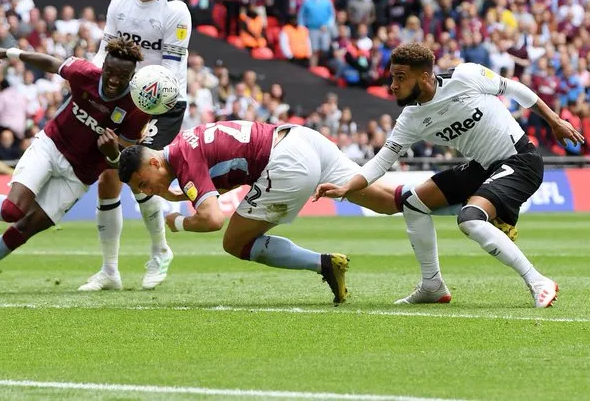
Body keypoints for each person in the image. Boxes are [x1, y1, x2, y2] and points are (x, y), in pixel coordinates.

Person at [313, 43, 585, 308]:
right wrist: (347, 187)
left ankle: (538, 281)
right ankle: (432, 285)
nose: (393, 85)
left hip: (521, 160)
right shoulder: (410, 119)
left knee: (470, 219)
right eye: (392, 77)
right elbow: (381, 161)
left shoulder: (465, 76)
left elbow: (514, 88)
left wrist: (555, 121)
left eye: (400, 77)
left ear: (424, 76)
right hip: (482, 167)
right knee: (412, 203)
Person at [0, 38, 151, 295]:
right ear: (103, 66)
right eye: (111, 72)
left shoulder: (136, 108)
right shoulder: (85, 73)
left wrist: (113, 154)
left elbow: (122, 159)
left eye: (123, 76)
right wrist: (9, 52)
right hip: (50, 146)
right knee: (11, 210)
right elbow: (50, 63)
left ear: (132, 77)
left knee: (21, 232)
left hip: (79, 176)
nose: (114, 80)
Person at [116, 120, 400, 305]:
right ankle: (426, 197)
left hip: (285, 163)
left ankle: (324, 264)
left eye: (143, 184)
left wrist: (178, 222)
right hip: (300, 137)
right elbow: (228, 173)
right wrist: (176, 195)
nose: (147, 191)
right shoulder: (185, 143)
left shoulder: (183, 160)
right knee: (388, 201)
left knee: (234, 242)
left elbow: (212, 219)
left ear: (154, 163)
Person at [79, 0, 193, 292]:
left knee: (142, 174)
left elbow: (171, 72)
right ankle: (109, 271)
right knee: (108, 177)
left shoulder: (176, 11)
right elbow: (104, 54)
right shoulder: (119, 4)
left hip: (163, 104)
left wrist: (142, 108)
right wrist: (91, 85)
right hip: (124, 102)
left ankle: (160, 251)